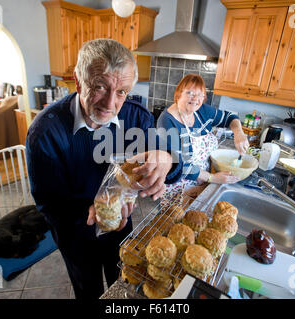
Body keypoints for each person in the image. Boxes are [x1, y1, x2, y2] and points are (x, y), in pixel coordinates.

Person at [25, 39, 182, 299]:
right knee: (88, 289)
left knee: (124, 281)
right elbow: (47, 201)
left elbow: (174, 165)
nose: (110, 103)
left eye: (121, 91)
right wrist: (85, 211)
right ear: (78, 81)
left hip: (121, 222)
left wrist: (166, 159)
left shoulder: (135, 118)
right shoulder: (46, 131)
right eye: (100, 86)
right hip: (74, 231)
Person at [157, 73, 249, 202]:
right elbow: (179, 165)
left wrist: (239, 133)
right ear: (178, 94)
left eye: (200, 95)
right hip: (177, 190)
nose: (196, 98)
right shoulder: (167, 121)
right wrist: (213, 178)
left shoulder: (201, 111)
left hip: (204, 183)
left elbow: (230, 117)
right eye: (190, 93)